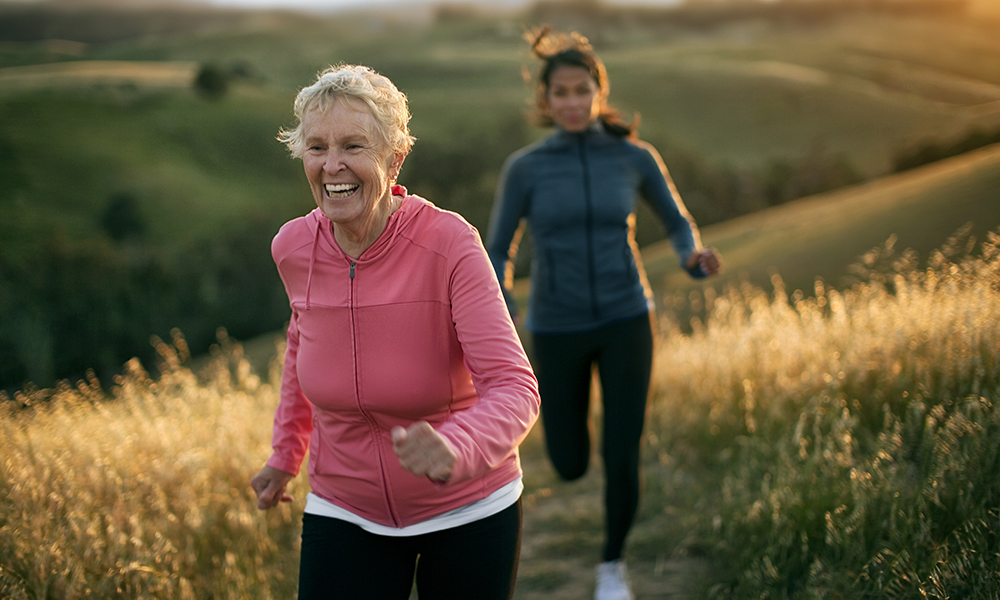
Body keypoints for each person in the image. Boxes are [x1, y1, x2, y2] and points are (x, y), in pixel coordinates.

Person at [250, 64, 540, 600]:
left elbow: (515, 387)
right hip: (343, 505)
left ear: (394, 157)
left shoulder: (450, 243)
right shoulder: (292, 248)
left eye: (354, 146)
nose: (332, 165)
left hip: (467, 506)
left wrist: (459, 444)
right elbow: (301, 350)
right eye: (317, 148)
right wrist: (285, 454)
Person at [486, 27, 722, 600]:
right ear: (546, 100)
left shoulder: (634, 157)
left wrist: (692, 256)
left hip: (626, 319)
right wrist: (501, 303)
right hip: (555, 326)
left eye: (580, 90)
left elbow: (677, 219)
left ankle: (611, 567)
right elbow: (498, 248)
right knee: (568, 462)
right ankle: (577, 450)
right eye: (560, 93)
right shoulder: (526, 167)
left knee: (623, 450)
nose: (570, 102)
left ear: (598, 91)